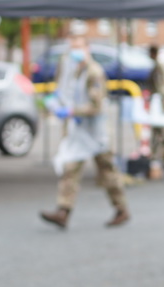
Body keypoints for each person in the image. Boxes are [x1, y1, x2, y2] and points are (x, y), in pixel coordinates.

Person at [40, 36, 130, 230]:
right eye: (72, 47)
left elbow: (96, 106)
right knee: (70, 169)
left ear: (87, 49)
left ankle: (121, 208)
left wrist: (73, 111)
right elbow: (68, 93)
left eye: (78, 47)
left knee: (107, 172)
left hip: (96, 134)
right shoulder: (74, 71)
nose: (75, 51)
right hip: (80, 131)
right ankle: (63, 211)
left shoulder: (94, 72)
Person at [143, 45, 164, 171]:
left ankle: (163, 159)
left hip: (160, 104)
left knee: (161, 133)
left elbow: (160, 87)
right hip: (159, 103)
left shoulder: (158, 67)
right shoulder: (157, 66)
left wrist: (158, 103)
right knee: (158, 133)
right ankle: (158, 159)